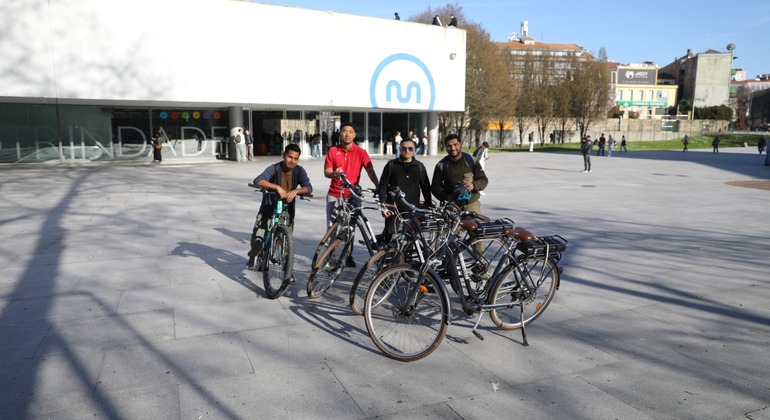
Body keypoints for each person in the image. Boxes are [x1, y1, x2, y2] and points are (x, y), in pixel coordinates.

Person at [247, 143, 313, 270]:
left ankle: (287, 271)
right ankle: (254, 255)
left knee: (287, 243)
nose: (292, 161)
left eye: (295, 158)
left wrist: (296, 191)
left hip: (287, 210)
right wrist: (277, 187)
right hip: (269, 206)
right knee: (258, 238)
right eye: (290, 157)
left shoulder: (299, 171)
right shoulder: (274, 168)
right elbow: (258, 180)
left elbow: (308, 188)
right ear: (284, 156)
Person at [324, 122, 380, 267]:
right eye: (344, 131)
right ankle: (329, 256)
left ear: (354, 135)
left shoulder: (361, 152)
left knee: (351, 228)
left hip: (353, 196)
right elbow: (327, 172)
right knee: (332, 228)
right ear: (340, 134)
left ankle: (348, 255)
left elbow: (370, 170)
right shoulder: (333, 150)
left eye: (350, 131)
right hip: (335, 194)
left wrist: (378, 186)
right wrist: (334, 174)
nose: (347, 134)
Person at [378, 137, 432, 244]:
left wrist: (428, 206)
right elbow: (383, 185)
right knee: (389, 235)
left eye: (410, 148)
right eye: (404, 148)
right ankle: (384, 251)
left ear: (414, 150)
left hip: (412, 209)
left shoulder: (419, 167)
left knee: (410, 239)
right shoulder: (391, 165)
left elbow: (426, 187)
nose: (407, 151)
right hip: (393, 208)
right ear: (399, 149)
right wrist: (383, 205)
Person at [431, 134, 488, 214]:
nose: (453, 148)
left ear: (461, 145)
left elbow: (483, 180)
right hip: (452, 207)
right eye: (449, 146)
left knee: (474, 222)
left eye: (455, 145)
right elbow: (435, 187)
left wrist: (473, 185)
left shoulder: (471, 161)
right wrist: (447, 197)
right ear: (446, 147)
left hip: (472, 206)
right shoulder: (441, 165)